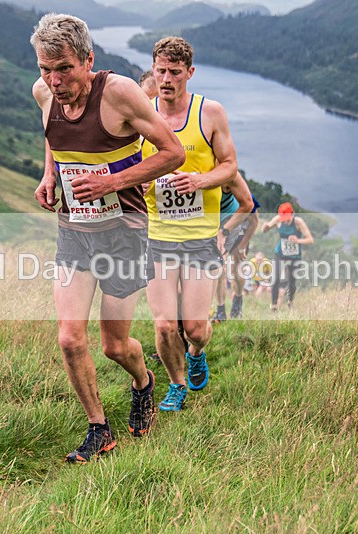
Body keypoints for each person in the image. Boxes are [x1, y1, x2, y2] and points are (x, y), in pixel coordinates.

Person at [31, 14, 185, 463]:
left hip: (124, 232)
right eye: (46, 68)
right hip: (74, 231)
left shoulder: (119, 93)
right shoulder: (43, 93)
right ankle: (99, 428)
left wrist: (112, 182)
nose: (55, 80)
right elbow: (53, 135)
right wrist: (50, 174)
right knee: (69, 338)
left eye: (64, 68)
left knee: (115, 345)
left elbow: (172, 153)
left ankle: (143, 383)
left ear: (88, 60)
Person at [142, 36, 238, 411]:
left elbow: (230, 166)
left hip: (200, 236)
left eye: (175, 72)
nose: (166, 79)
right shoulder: (141, 114)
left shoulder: (210, 113)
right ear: (153, 69)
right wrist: (142, 180)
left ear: (190, 73)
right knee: (165, 325)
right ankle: (176, 384)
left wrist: (199, 180)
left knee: (194, 328)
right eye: (160, 71)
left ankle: (196, 352)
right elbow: (127, 167)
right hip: (157, 236)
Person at [211, 174, 259, 322]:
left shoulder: (242, 192)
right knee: (220, 268)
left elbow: (254, 221)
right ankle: (220, 312)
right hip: (219, 228)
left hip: (241, 233)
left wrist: (243, 245)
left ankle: (238, 300)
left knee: (236, 274)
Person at [260, 202, 314, 310]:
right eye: (283, 218)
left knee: (291, 282)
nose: (285, 221)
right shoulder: (278, 219)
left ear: (292, 214)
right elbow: (266, 229)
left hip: (294, 256)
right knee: (275, 277)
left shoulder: (299, 222)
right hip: (280, 253)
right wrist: (265, 227)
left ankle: (290, 301)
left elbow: (310, 240)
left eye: (287, 219)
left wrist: (297, 240)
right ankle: (274, 305)